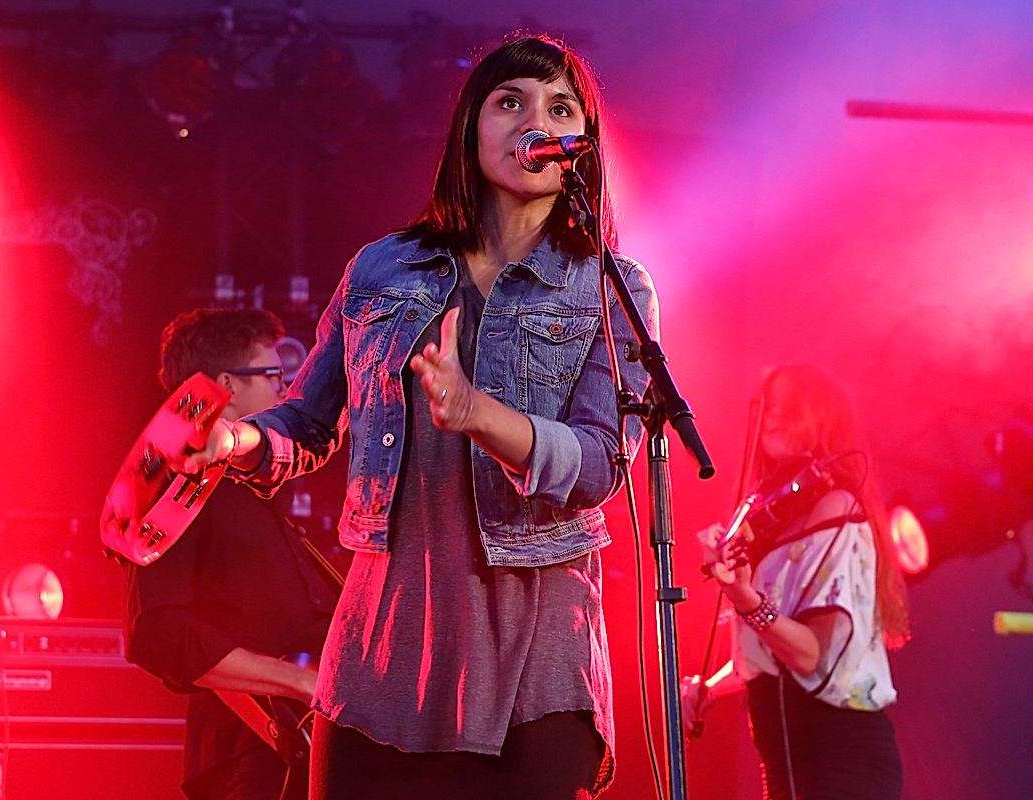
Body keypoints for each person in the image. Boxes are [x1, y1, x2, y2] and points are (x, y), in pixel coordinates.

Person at [176, 34, 659, 800]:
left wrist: (475, 414)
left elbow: (599, 464)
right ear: (471, 128)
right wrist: (234, 437)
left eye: (558, 108)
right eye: (511, 102)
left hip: (534, 656)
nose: (533, 121)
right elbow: (306, 421)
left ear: (578, 149)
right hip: (383, 648)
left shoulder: (610, 286)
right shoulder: (380, 270)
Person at [123, 307, 340, 800]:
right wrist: (299, 682)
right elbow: (156, 631)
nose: (284, 392)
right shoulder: (175, 487)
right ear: (227, 384)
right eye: (272, 376)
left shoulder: (249, 486)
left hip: (296, 752)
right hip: (248, 759)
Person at [682, 364, 909, 800]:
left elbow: (811, 656)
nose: (773, 418)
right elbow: (777, 650)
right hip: (787, 765)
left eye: (792, 408)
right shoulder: (773, 516)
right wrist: (712, 686)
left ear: (824, 420)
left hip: (842, 764)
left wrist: (746, 599)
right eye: (771, 408)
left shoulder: (837, 508)